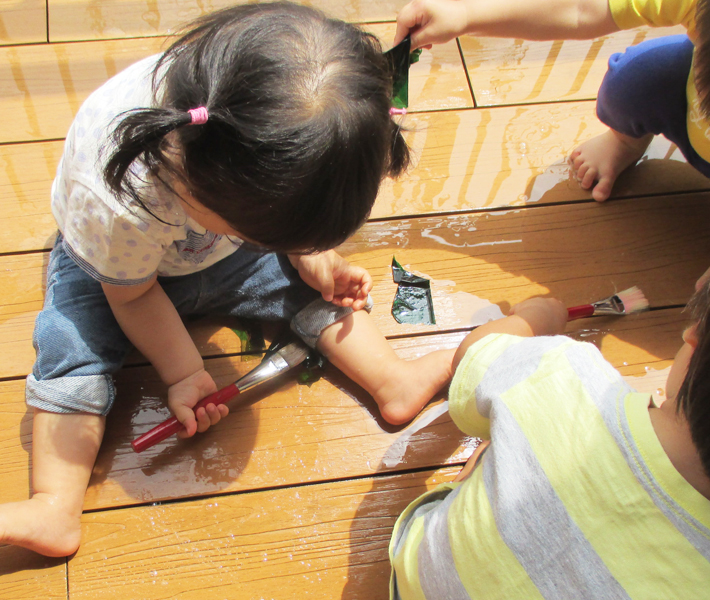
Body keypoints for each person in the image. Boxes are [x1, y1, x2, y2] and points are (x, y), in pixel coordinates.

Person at [1, 2, 454, 558]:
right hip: (116, 271)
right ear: (203, 188)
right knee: (72, 340)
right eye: (276, 234)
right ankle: (54, 504)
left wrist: (312, 256)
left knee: (315, 288)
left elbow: (280, 203)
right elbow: (133, 296)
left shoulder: (246, 126)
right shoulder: (115, 201)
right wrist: (184, 371)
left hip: (218, 242)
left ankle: (392, 380)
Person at [388, 206, 710, 598]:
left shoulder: (563, 375)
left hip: (419, 581)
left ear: (697, 335)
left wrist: (533, 319)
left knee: (511, 435)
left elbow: (471, 356)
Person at [394, 0, 710, 227]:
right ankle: (624, 142)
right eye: (705, 51)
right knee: (635, 77)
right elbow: (583, 10)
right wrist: (465, 17)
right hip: (680, 105)